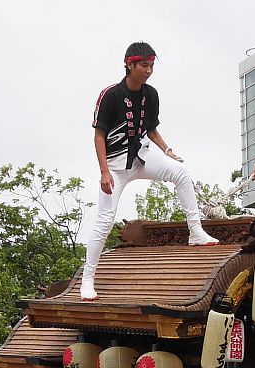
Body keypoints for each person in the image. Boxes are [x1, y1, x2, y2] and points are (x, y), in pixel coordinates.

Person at [81, 42, 218, 301]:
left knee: (180, 172)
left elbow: (151, 129)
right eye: (144, 65)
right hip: (115, 165)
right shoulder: (110, 95)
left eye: (152, 66)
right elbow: (99, 135)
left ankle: (195, 231)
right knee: (105, 221)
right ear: (129, 65)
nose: (148, 70)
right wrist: (104, 172)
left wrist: (167, 150)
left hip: (142, 155)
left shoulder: (151, 94)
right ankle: (87, 279)